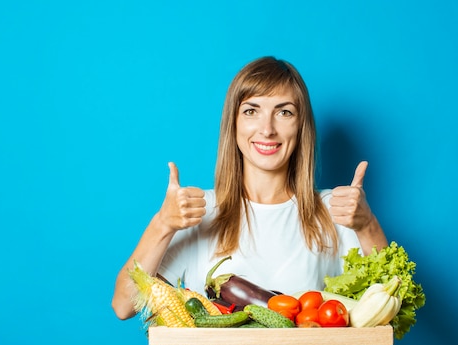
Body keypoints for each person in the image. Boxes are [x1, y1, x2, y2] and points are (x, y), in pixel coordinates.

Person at [112, 57, 388, 320]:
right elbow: (124, 306)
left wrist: (367, 226)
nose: (267, 129)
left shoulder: (335, 209)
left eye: (284, 112)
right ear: (233, 124)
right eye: (251, 111)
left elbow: (390, 307)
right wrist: (163, 224)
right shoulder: (198, 211)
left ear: (301, 126)